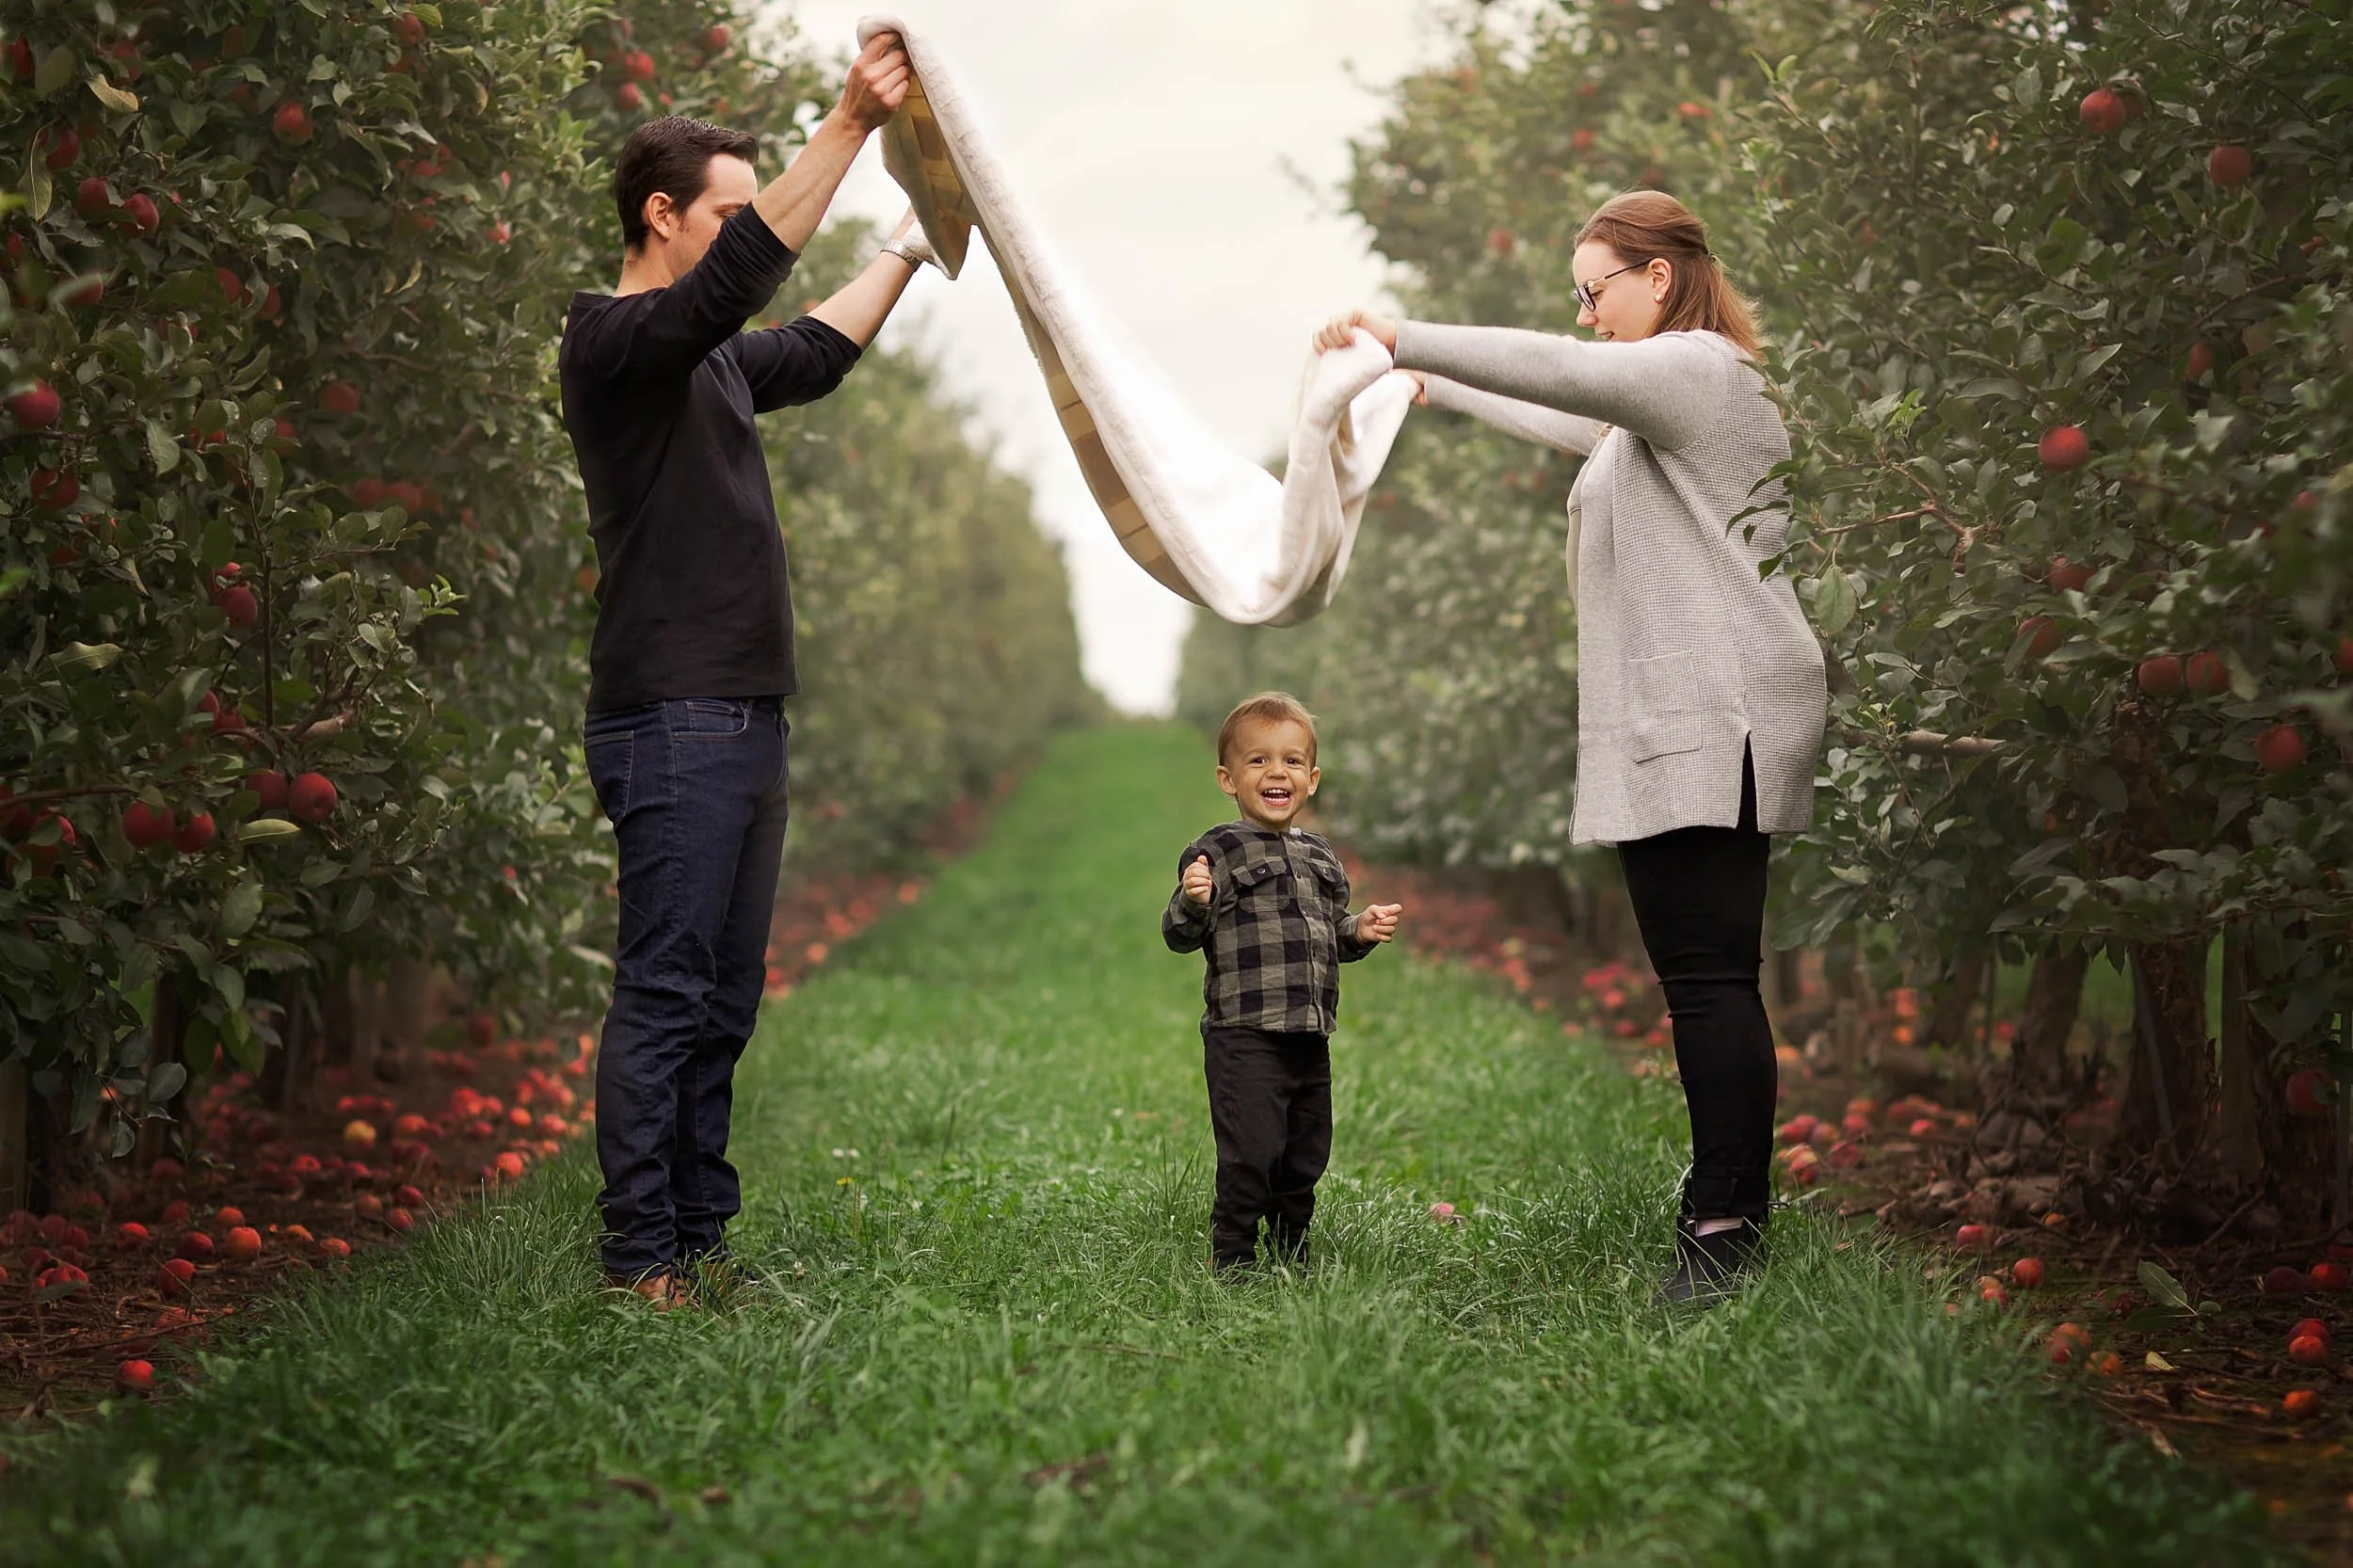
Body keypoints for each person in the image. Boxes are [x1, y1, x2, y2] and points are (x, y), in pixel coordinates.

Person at [1312, 190, 1828, 1305]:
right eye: (1577, 298)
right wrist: (1418, 381)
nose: (1587, 315)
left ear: (1659, 274)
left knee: (1707, 980)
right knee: (1704, 975)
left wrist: (1401, 332)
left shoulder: (1696, 368)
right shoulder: (1663, 399)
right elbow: (1563, 411)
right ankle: (1724, 1194)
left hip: (1715, 708)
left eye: (1596, 289)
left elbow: (1561, 373)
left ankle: (1727, 1221)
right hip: (1699, 707)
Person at [559, 33, 938, 1308]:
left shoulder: (706, 357)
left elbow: (816, 351)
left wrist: (913, 243)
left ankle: (699, 1239)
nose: (740, 234)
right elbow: (734, 285)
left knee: (721, 1000)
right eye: (724, 210)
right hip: (672, 716)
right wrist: (846, 123)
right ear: (662, 218)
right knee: (666, 991)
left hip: (739, 718)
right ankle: (635, 1261)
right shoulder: (614, 344)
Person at [1163, 694, 1403, 1274]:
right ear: (1228, 778)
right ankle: (1235, 1256)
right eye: (1259, 761)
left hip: (1308, 1036)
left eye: (1292, 762)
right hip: (1244, 1034)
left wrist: (1360, 931)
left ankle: (1292, 1247)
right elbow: (1179, 932)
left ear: (1312, 778)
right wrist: (1194, 899)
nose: (1277, 772)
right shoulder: (1215, 850)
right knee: (1253, 1151)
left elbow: (1330, 937)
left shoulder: (1320, 855)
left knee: (1304, 1152)